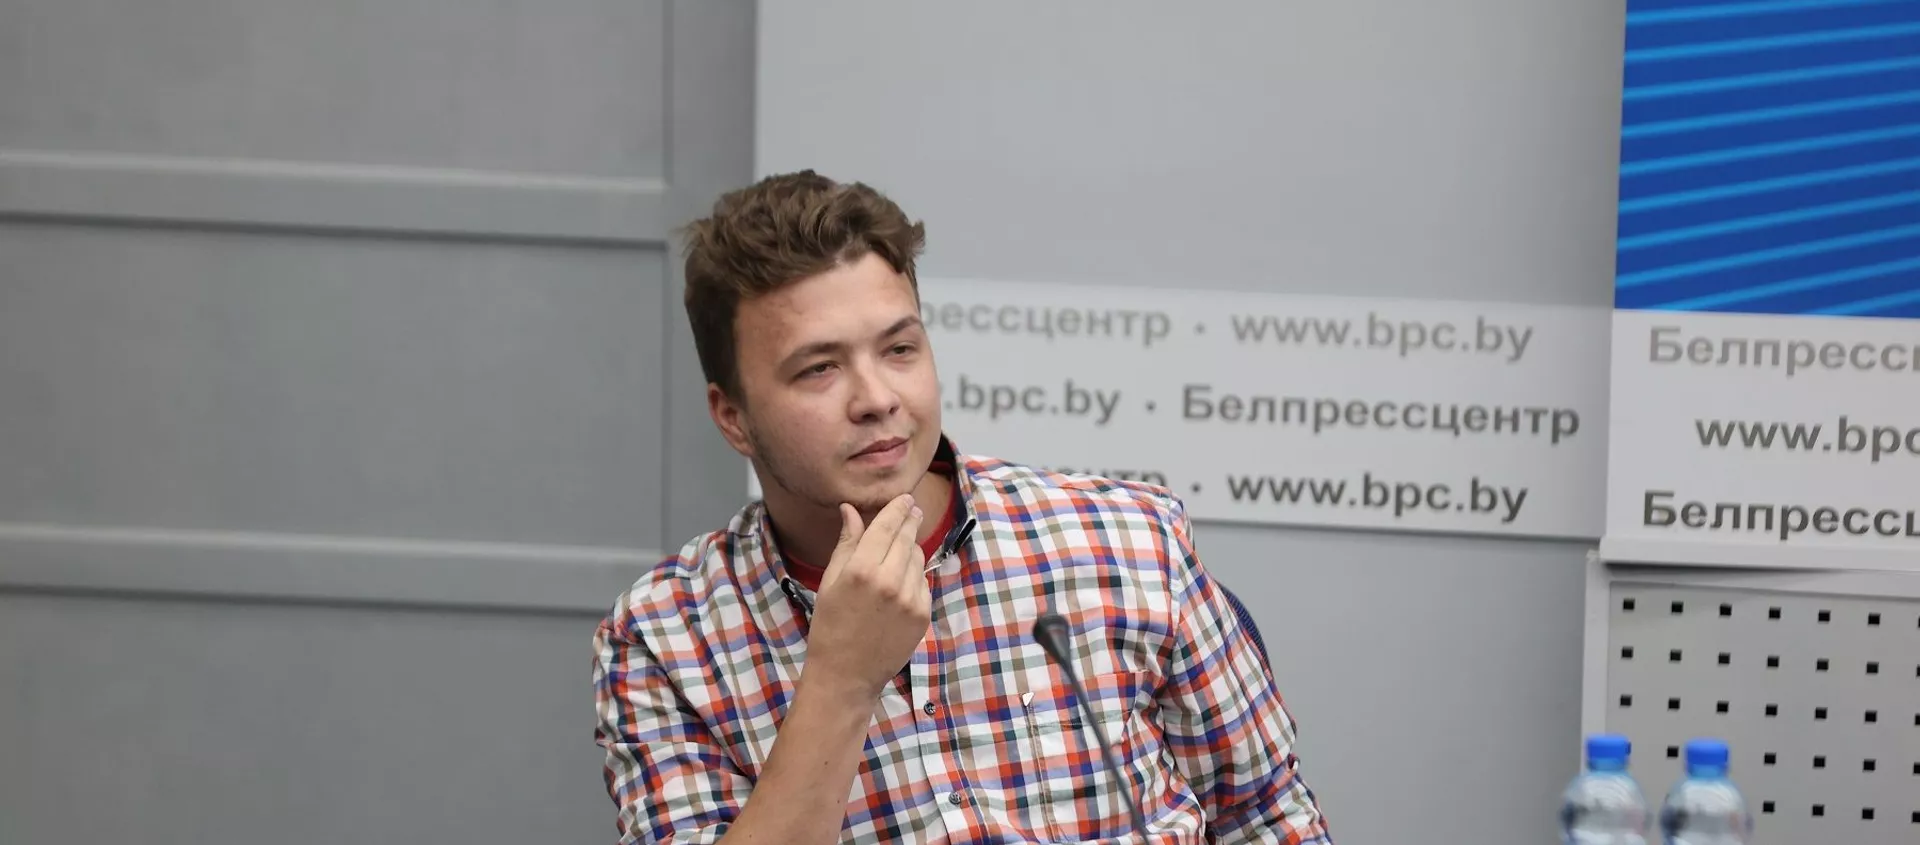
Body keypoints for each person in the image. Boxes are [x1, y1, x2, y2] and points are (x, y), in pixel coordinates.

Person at [590, 170, 1334, 845]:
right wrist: (841, 680)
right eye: (819, 369)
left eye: (900, 349)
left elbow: (1269, 819)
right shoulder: (664, 638)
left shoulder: (1126, 542)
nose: (877, 398)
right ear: (733, 417)